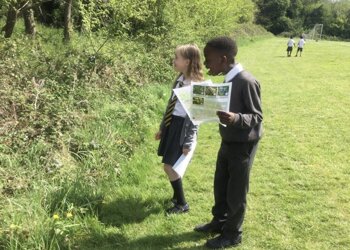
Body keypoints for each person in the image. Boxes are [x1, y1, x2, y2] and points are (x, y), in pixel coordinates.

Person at [194, 36, 263, 248]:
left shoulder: (246, 81)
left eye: (208, 60)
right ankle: (220, 222)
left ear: (223, 59)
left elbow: (257, 116)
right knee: (221, 184)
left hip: (242, 144)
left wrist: (235, 118)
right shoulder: (228, 79)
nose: (205, 65)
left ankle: (233, 234)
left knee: (236, 191)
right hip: (228, 141)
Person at [155, 44, 203, 214]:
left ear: (188, 62)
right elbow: (171, 105)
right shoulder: (180, 79)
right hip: (172, 125)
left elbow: (196, 118)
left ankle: (182, 204)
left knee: (170, 167)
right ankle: (177, 196)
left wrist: (188, 142)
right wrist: (163, 127)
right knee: (169, 165)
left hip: (182, 129)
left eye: (177, 58)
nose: (174, 60)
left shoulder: (196, 86)